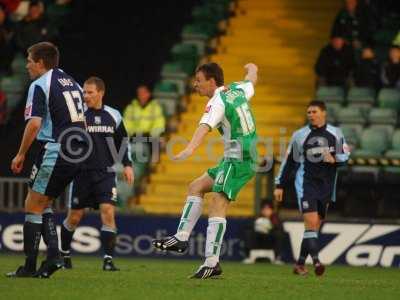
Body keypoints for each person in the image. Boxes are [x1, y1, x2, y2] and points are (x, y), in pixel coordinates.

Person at [152, 62, 258, 279]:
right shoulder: (236, 90)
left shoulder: (217, 100)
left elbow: (204, 127)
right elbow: (252, 82)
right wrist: (252, 69)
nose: (195, 84)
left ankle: (211, 262)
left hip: (239, 158)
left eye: (199, 80)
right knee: (196, 186)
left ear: (211, 82)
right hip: (236, 157)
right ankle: (181, 237)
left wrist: (189, 149)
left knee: (218, 202)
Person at [6, 41, 88, 278]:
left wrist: (21, 153)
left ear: (41, 62)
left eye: (30, 61)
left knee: (32, 204)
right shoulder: (71, 81)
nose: (27, 66)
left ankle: (30, 266)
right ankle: (53, 256)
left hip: (57, 148)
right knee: (45, 203)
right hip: (79, 149)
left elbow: (34, 123)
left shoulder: (40, 84)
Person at [60, 76, 134, 271]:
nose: (86, 96)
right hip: (81, 175)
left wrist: (127, 165)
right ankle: (64, 254)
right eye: (84, 92)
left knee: (108, 212)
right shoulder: (77, 115)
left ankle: (108, 260)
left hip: (106, 174)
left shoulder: (114, 115)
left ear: (101, 93)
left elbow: (123, 142)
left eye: (90, 92)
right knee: (74, 218)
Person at [274, 100, 350, 277]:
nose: (311, 115)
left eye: (314, 112)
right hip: (305, 184)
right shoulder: (299, 135)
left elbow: (345, 156)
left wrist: (335, 160)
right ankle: (316, 262)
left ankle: (300, 264)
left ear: (323, 113)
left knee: (314, 227)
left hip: (326, 187)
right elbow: (289, 162)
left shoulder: (335, 133)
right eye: (308, 112)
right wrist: (280, 185)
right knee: (310, 224)